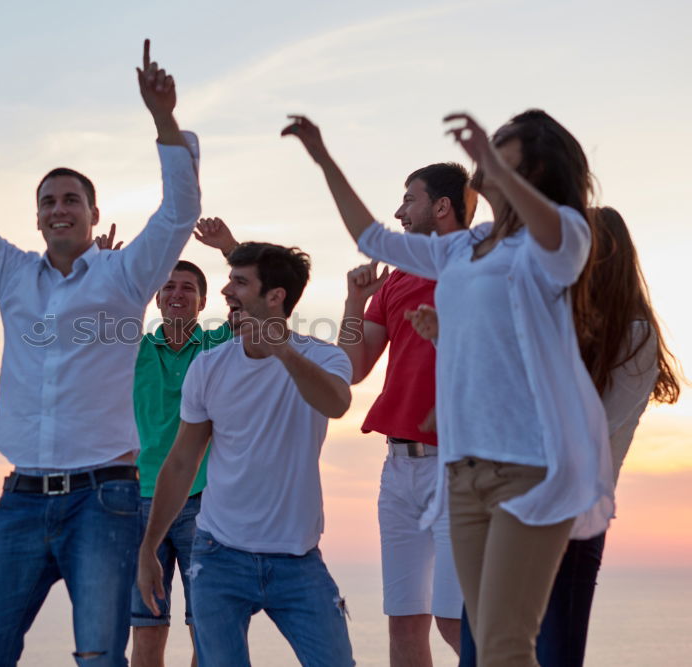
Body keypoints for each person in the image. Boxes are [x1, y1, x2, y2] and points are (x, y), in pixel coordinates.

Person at [284, 110, 612, 667]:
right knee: (487, 641)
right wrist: (322, 158)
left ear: (531, 168)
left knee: (502, 645)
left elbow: (550, 230)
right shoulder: (464, 248)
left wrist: (495, 170)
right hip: (462, 468)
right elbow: (371, 237)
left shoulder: (561, 238)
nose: (485, 164)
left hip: (528, 463)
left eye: (500, 154)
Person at [0, 40, 202, 666]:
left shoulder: (126, 276)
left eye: (71, 199)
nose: (59, 208)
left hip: (105, 500)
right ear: (37, 219)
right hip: (18, 498)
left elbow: (180, 210)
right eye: (48, 201)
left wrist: (163, 121)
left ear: (94, 215)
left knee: (100, 656)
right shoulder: (10, 272)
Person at [437, 206, 683, 667]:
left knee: (551, 657)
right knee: (480, 654)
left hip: (569, 524)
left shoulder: (633, 338)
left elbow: (581, 436)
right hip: (508, 510)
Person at [137, 242, 355, 667]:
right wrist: (149, 547)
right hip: (219, 558)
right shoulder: (209, 366)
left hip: (298, 560)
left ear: (275, 297)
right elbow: (182, 463)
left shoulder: (324, 356)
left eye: (239, 282)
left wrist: (282, 351)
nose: (225, 291)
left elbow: (336, 403)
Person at [339, 163, 473, 666]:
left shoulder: (477, 266)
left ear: (441, 207)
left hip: (458, 465)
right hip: (398, 471)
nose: (398, 212)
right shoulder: (395, 281)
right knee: (405, 626)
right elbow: (352, 369)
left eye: (408, 199)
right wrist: (354, 304)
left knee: (456, 623)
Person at [129, 217, 238, 667]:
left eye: (187, 287)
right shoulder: (134, 350)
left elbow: (260, 295)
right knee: (146, 633)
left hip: (202, 503)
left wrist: (229, 249)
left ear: (203, 300)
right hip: (139, 501)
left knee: (207, 632)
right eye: (168, 287)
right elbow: (106, 305)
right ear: (156, 298)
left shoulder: (218, 345)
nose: (177, 294)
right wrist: (97, 264)